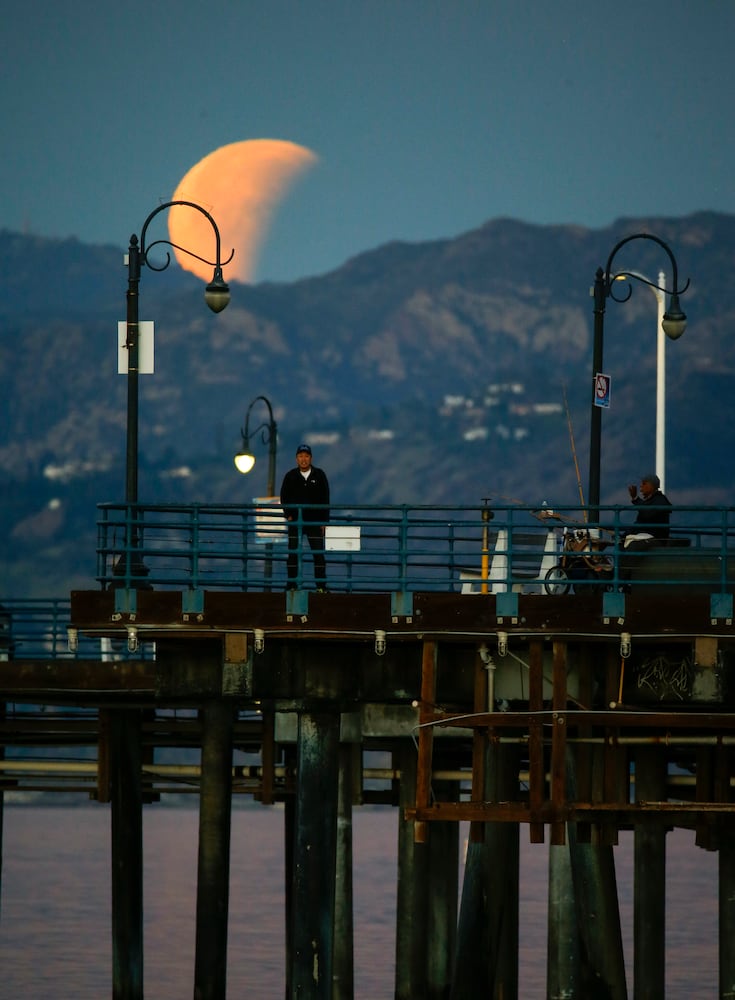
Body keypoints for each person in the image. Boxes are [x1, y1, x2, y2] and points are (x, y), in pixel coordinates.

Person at [280, 443, 330, 590]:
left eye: (306, 456)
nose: (303, 459)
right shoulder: (290, 476)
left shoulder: (319, 475)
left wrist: (324, 521)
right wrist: (288, 515)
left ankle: (321, 586)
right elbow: (284, 497)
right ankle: (291, 585)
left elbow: (325, 498)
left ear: (311, 458)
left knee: (318, 554)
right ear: (296, 459)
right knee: (293, 553)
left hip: (315, 521)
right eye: (301, 456)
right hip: (296, 521)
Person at [626, 473, 672, 544]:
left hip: (655, 538)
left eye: (644, 484)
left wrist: (635, 499)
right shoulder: (651, 500)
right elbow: (644, 512)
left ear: (652, 486)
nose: (641, 486)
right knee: (622, 542)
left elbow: (647, 513)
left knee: (634, 545)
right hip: (645, 536)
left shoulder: (660, 500)